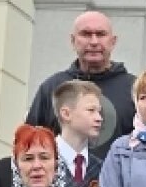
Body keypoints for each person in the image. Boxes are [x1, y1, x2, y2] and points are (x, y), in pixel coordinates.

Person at [25, 10, 136, 150]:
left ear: (113, 42)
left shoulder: (135, 90)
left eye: (101, 34)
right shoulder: (52, 88)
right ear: (73, 41)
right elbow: (29, 144)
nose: (94, 42)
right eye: (86, 34)